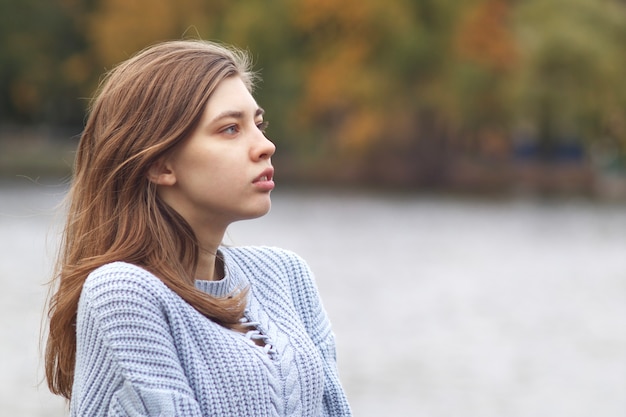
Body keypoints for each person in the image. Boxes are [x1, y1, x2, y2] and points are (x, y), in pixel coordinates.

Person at [44, 39, 352, 416]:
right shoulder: (123, 293)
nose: (266, 146)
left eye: (258, 124)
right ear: (161, 165)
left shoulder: (284, 275)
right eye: (230, 130)